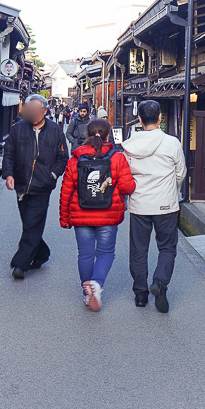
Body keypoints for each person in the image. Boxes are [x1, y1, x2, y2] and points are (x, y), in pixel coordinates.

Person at [59, 119, 135, 312]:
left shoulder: (75, 159)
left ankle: (87, 293)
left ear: (87, 135)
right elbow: (127, 187)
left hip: (81, 213)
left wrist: (64, 217)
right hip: (108, 214)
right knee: (106, 252)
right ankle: (97, 284)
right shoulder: (117, 158)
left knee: (85, 254)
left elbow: (66, 191)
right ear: (108, 135)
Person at [121, 100, 186, 313]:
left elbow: (125, 176)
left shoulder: (129, 145)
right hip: (166, 204)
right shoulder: (172, 143)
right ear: (160, 118)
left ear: (139, 120)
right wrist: (172, 189)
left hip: (139, 204)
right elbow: (181, 173)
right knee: (167, 247)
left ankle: (140, 295)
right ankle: (159, 283)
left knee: (139, 250)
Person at [2, 94, 69, 280]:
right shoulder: (18, 129)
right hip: (22, 184)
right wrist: (8, 174)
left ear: (44, 111)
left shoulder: (55, 130)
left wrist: (52, 175)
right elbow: (9, 153)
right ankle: (41, 253)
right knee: (29, 223)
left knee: (32, 223)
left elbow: (63, 157)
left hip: (43, 185)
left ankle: (20, 265)